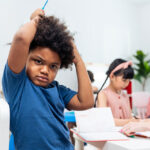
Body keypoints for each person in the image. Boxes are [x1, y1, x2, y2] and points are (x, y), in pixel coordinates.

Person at [2, 8, 94, 150]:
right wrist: (36, 20)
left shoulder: (58, 90)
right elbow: (22, 38)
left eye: (53, 66)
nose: (45, 70)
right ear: (26, 57)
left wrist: (78, 61)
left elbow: (86, 102)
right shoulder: (17, 85)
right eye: (38, 61)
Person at [96, 58, 138, 126]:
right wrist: (130, 121)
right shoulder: (103, 94)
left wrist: (135, 119)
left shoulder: (125, 95)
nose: (126, 84)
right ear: (112, 76)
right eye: (124, 80)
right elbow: (103, 120)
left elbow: (130, 117)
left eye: (129, 81)